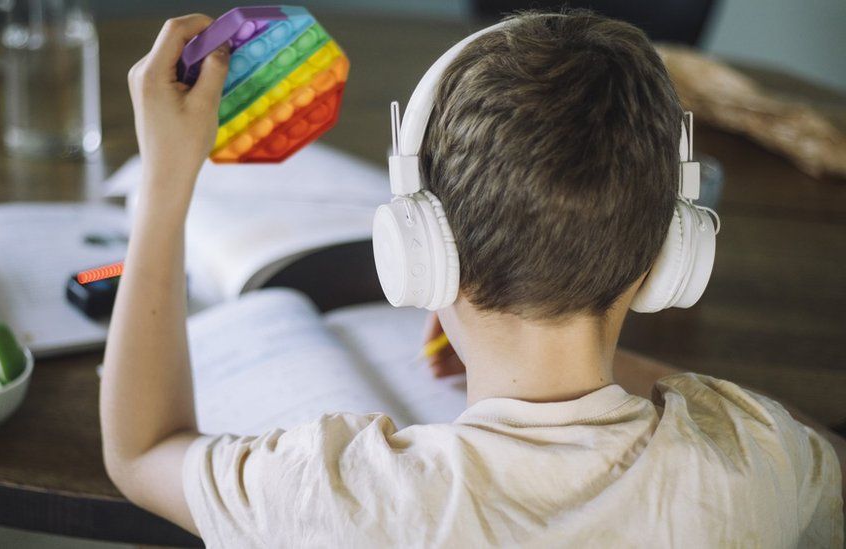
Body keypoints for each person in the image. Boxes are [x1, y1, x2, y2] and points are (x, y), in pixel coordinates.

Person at [99, 11, 844, 547]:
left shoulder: (337, 501)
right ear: (673, 255)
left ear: (421, 254)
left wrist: (168, 179)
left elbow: (142, 449)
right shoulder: (754, 462)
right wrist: (647, 377)